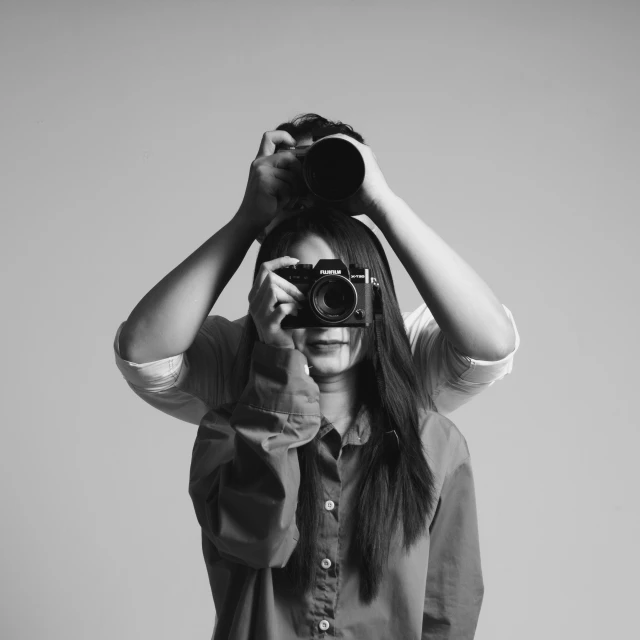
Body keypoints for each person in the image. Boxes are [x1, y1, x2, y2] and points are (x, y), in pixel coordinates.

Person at [114, 114, 520, 639]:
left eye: (343, 289)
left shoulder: (430, 430)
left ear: (373, 300)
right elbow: (142, 352)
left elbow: (449, 608)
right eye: (300, 285)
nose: (325, 305)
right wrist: (248, 223)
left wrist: (381, 202)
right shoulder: (236, 380)